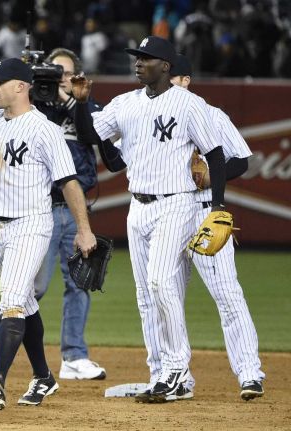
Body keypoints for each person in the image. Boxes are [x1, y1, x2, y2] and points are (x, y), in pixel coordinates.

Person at [71, 36, 229, 403]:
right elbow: (89, 133)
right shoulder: (125, 103)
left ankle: (178, 371)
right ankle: (159, 373)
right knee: (145, 294)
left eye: (146, 58)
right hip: (138, 207)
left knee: (160, 282)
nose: (138, 63)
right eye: (137, 57)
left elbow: (216, 157)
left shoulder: (189, 105)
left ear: (166, 66)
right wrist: (80, 104)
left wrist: (218, 206)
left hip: (177, 204)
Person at [0, 51, 98, 410]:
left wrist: (83, 229)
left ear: (21, 86)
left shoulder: (45, 129)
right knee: (25, 304)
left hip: (31, 223)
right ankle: (44, 377)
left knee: (12, 301)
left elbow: (69, 183)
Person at [169, 54, 265, 401]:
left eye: (173, 79)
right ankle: (173, 375)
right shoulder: (152, 113)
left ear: (185, 80)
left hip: (203, 210)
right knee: (166, 297)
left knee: (227, 292)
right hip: (168, 213)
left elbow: (239, 159)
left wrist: (211, 178)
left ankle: (250, 373)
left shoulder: (210, 114)